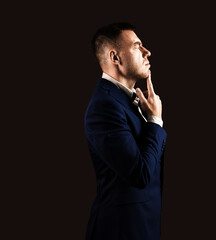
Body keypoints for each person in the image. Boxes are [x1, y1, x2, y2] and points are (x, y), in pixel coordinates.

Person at [84, 22, 167, 240]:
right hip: (120, 232)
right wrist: (155, 120)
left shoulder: (124, 100)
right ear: (115, 58)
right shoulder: (104, 106)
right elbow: (140, 174)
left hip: (142, 228)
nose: (147, 52)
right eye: (137, 46)